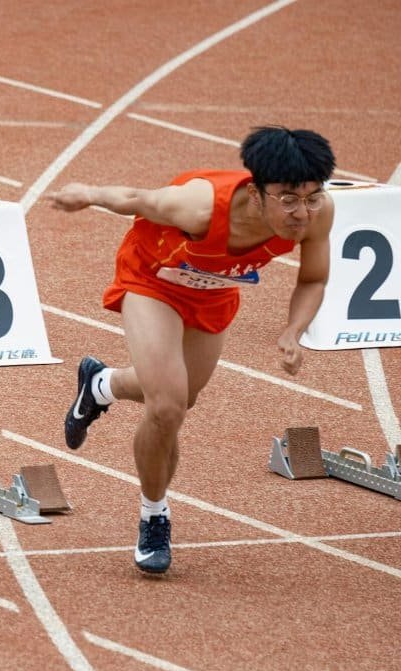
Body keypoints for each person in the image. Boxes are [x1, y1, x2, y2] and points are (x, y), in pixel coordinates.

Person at [46, 126, 335, 574]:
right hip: (153, 279)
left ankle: (100, 385)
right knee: (167, 407)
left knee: (181, 397)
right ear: (257, 193)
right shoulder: (199, 205)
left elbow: (313, 278)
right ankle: (154, 515)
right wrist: (87, 193)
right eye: (288, 199)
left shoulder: (318, 215)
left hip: (215, 292)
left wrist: (294, 331)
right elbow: (137, 198)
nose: (302, 212)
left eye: (312, 197)